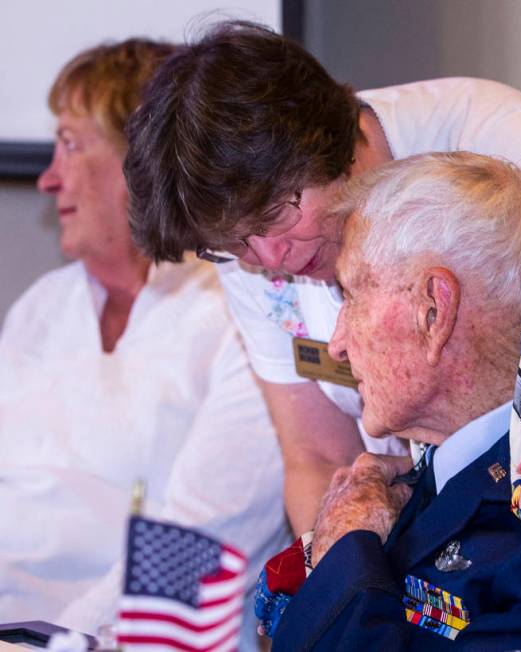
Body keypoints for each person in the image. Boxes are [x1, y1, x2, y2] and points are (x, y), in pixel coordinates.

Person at [124, 21, 521, 535]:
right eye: (233, 244)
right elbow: (318, 457)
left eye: (275, 214)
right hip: (454, 536)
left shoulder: (482, 143)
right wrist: (343, 580)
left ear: (330, 140)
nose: (272, 258)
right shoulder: (254, 248)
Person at [267, 152, 521, 649]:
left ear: (433, 311)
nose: (337, 343)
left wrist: (343, 551)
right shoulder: (438, 479)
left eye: (351, 295)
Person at [0, 39, 290, 646]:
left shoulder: (241, 310)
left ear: (142, 160)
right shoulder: (42, 309)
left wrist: (60, 638)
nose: (49, 179)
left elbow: (206, 537)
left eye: (71, 146)